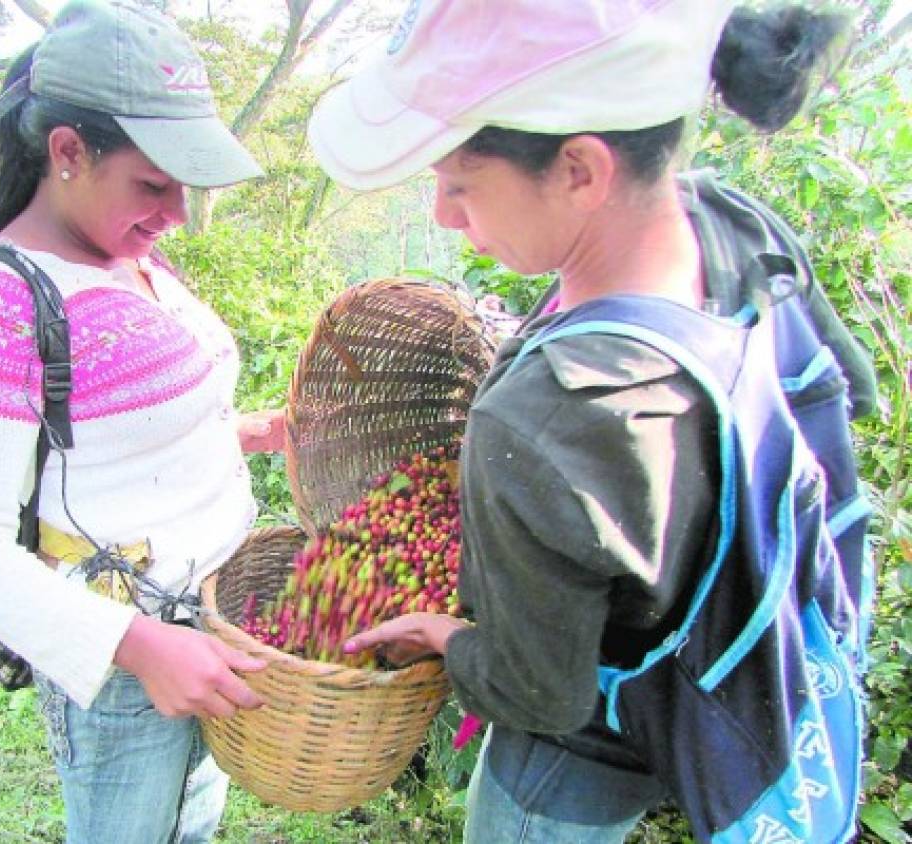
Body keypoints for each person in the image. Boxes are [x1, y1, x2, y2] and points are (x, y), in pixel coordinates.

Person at [308, 1, 875, 842]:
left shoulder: (545, 417)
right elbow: (845, 390)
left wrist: (444, 634)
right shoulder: (729, 223)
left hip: (571, 764)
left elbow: (539, 692)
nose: (444, 216)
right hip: (704, 673)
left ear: (580, 169)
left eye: (460, 183)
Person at [0, 2, 283, 841]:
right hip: (127, 662)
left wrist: (253, 432)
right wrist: (143, 648)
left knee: (190, 825)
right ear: (69, 153)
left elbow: (111, 440)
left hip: (212, 623)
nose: (177, 213)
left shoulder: (129, 256)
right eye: (153, 185)